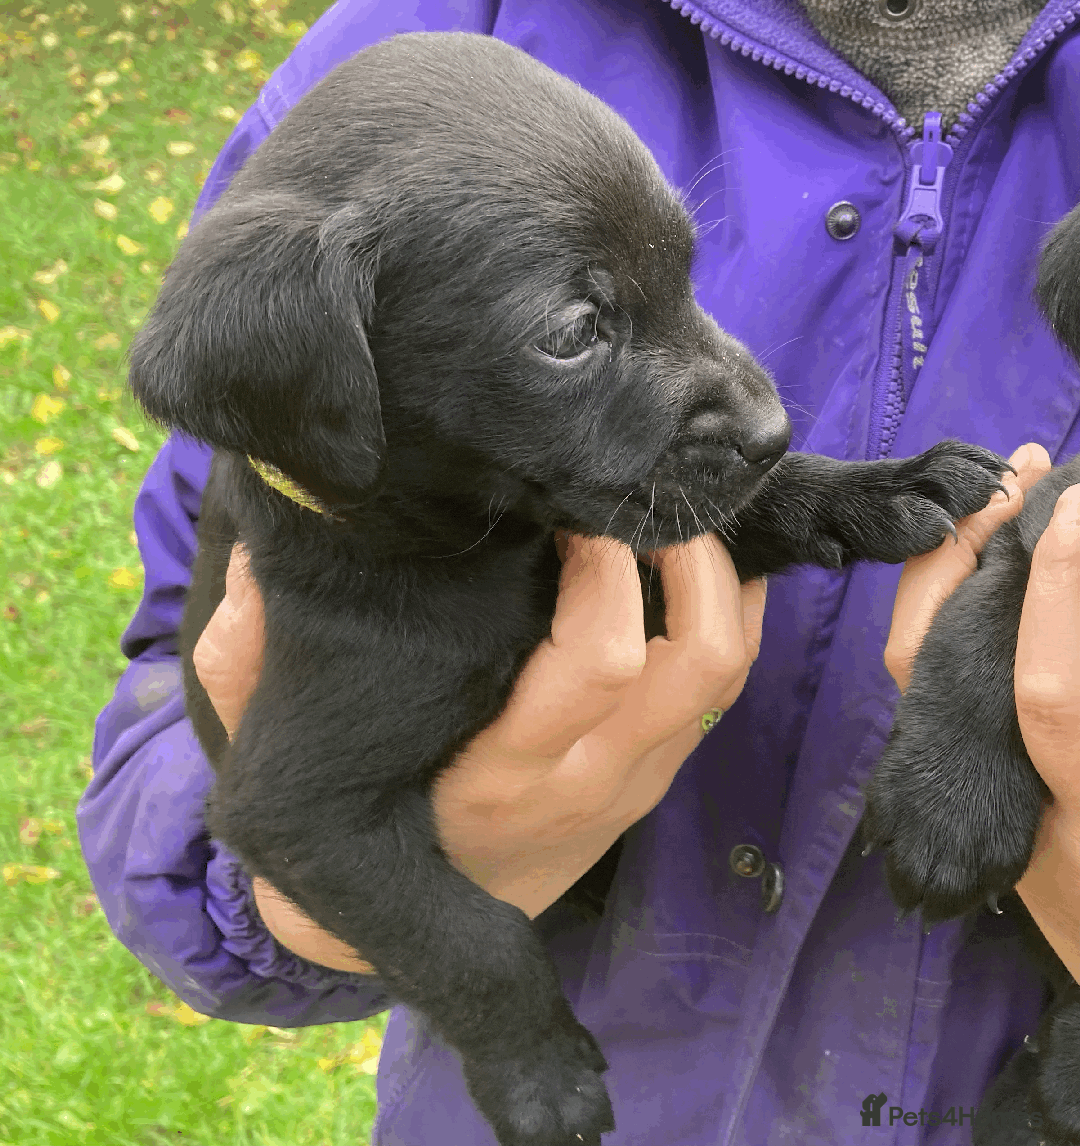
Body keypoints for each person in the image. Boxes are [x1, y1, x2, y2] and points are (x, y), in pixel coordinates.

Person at [77, 1, 1080, 1142]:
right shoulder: (456, 43)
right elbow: (232, 770)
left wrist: (814, 502)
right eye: (575, 332)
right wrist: (378, 934)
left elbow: (630, 536)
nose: (756, 411)